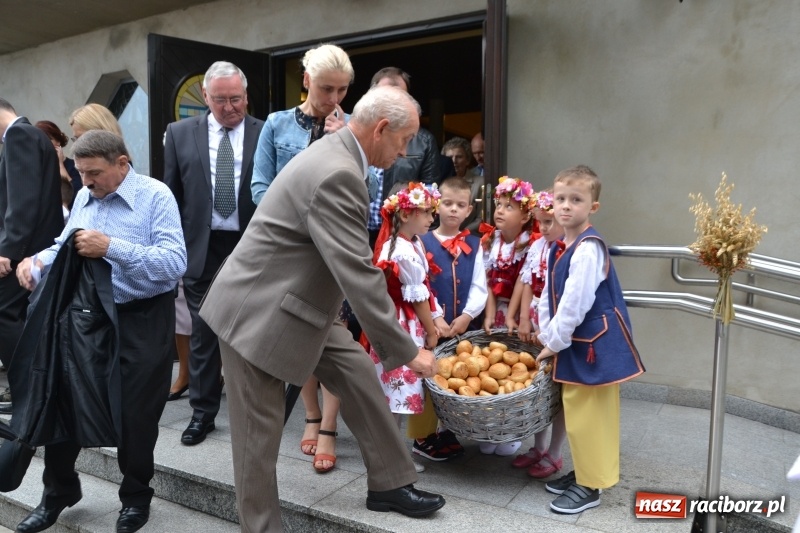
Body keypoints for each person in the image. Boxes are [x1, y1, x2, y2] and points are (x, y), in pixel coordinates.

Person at [199, 85, 446, 530]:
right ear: (382, 128)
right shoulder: (338, 171)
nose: (405, 152)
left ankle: (389, 484)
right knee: (259, 439)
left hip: (301, 305)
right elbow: (358, 273)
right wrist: (409, 353)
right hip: (259, 314)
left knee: (356, 374)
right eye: (404, 141)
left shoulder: (341, 155)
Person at [15, 129, 186, 533]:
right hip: (88, 315)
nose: (86, 182)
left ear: (122, 163)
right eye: (80, 173)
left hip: (143, 316)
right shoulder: (82, 197)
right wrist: (36, 261)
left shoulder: (156, 196)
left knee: (136, 414)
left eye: (93, 173)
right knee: (64, 396)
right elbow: (66, 242)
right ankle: (58, 491)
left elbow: (174, 263)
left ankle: (136, 497)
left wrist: (112, 247)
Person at [250, 44, 352, 472]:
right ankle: (310, 414)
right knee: (301, 337)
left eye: (343, 90)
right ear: (306, 79)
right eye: (326, 88)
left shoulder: (351, 128)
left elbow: (359, 192)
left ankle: (328, 425)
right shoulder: (275, 125)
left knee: (338, 336)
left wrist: (340, 145)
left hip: (332, 250)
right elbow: (259, 189)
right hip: (290, 251)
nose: (334, 99)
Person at [163, 61, 265, 443]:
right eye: (220, 100)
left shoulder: (264, 131)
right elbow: (171, 197)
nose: (229, 107)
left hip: (250, 248)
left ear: (246, 96)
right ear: (205, 98)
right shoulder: (179, 133)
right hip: (201, 249)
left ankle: (252, 411)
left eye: (236, 99)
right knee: (203, 335)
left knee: (250, 333)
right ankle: (202, 414)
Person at [536, 165, 645, 514]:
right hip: (577, 344)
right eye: (560, 199)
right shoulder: (563, 245)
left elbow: (575, 303)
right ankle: (585, 471)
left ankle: (592, 485)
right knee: (576, 409)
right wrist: (544, 330)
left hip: (593, 345)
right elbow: (549, 295)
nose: (566, 206)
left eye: (576, 200)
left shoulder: (588, 248)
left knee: (591, 414)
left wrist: (554, 340)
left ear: (592, 207)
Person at [369, 181, 449, 461]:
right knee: (394, 395)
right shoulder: (400, 250)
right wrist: (430, 330)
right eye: (426, 212)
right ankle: (388, 457)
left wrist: (437, 316)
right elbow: (415, 297)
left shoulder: (410, 243)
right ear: (405, 215)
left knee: (395, 395)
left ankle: (390, 455)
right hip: (402, 326)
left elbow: (423, 288)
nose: (431, 218)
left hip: (407, 321)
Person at [412, 177, 487, 460]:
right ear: (436, 205)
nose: (453, 210)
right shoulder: (422, 242)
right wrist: (436, 317)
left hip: (462, 329)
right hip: (433, 328)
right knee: (428, 378)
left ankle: (446, 431)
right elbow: (419, 284)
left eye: (460, 205)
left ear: (469, 210)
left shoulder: (476, 245)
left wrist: (468, 315)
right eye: (448, 203)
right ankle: (421, 436)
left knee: (455, 376)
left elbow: (481, 284)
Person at [0, 98, 64, 415]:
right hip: (35, 249)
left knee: (4, 314)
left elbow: (22, 202)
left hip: (24, 251)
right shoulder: (33, 134)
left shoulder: (18, 135)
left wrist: (7, 251)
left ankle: (27, 393)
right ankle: (32, 392)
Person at [506, 189, 568, 478]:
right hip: (537, 319)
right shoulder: (538, 246)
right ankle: (538, 446)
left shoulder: (569, 249)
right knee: (539, 388)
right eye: (540, 222)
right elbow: (529, 283)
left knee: (558, 392)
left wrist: (549, 328)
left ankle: (555, 452)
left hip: (558, 325)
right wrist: (523, 319)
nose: (543, 228)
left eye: (549, 221)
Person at [480, 176, 536, 456]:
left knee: (518, 372)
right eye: (498, 205)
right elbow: (490, 281)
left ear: (526, 215)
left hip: (519, 312)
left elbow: (524, 284)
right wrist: (490, 314)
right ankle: (492, 428)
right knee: (494, 368)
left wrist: (514, 315)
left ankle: (511, 431)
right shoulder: (491, 240)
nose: (499, 211)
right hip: (498, 310)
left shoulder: (530, 244)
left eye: (508, 207)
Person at [367, 67, 441, 248]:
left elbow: (431, 198)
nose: (393, 103)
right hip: (358, 233)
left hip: (399, 235)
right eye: (386, 95)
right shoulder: (360, 132)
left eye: (400, 97)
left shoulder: (423, 141)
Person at [35, 120, 82, 206]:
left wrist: (60, 165)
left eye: (48, 139)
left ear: (58, 141)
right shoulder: (40, 168)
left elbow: (76, 195)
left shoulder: (75, 166)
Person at [441, 137, 484, 233]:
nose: (454, 161)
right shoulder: (439, 183)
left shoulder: (480, 183)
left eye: (459, 157)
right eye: (450, 157)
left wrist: (461, 233)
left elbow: (481, 218)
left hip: (468, 236)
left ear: (468, 160)